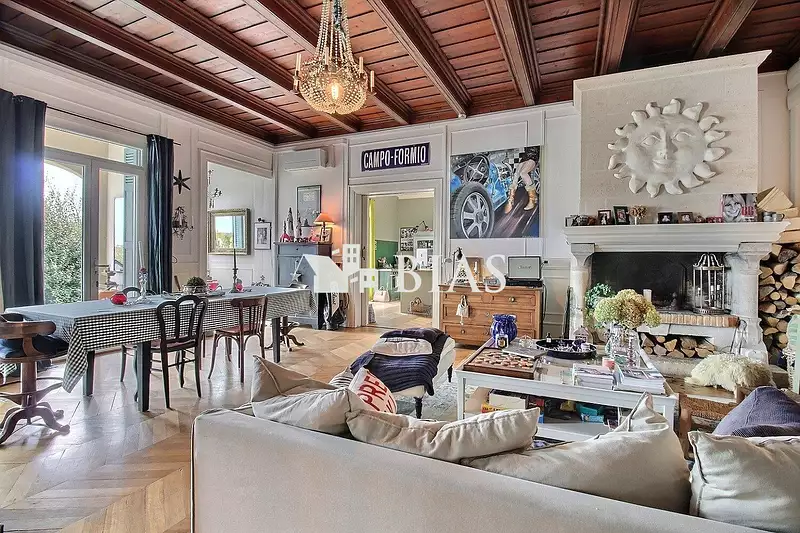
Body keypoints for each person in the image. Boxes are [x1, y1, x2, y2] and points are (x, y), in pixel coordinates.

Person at [504, 147, 540, 214]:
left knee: (523, 173)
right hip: (526, 157)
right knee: (516, 174)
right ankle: (510, 199)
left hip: (533, 156)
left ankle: (532, 199)